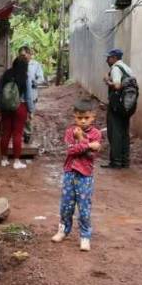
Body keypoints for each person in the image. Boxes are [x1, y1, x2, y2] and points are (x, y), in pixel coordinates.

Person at [51, 99, 102, 252]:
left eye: (86, 118)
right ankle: (63, 230)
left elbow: (92, 156)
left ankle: (85, 236)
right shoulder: (69, 132)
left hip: (85, 175)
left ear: (93, 117)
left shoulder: (96, 133)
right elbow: (71, 150)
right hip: (69, 172)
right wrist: (88, 144)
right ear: (75, 117)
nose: (83, 121)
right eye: (79, 118)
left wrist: (81, 140)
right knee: (66, 205)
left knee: (84, 207)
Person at [0, 56, 34, 169]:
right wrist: (31, 110)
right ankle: (17, 162)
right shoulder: (25, 77)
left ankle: (4, 159)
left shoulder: (6, 74)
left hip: (6, 107)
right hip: (20, 107)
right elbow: (28, 96)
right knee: (18, 134)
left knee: (6, 132)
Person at [103, 48, 135, 169]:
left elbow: (116, 85)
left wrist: (107, 80)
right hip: (128, 105)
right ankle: (125, 161)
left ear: (115, 58)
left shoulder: (116, 69)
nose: (107, 60)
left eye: (109, 57)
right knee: (124, 132)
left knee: (115, 132)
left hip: (117, 105)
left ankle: (116, 162)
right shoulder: (128, 69)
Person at [23, 46, 45, 145]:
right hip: (20, 96)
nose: (24, 56)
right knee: (21, 116)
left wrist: (34, 82)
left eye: (25, 54)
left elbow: (41, 78)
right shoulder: (18, 64)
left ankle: (27, 134)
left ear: (29, 54)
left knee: (29, 116)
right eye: (22, 55)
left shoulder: (35, 65)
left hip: (32, 95)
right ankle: (23, 133)